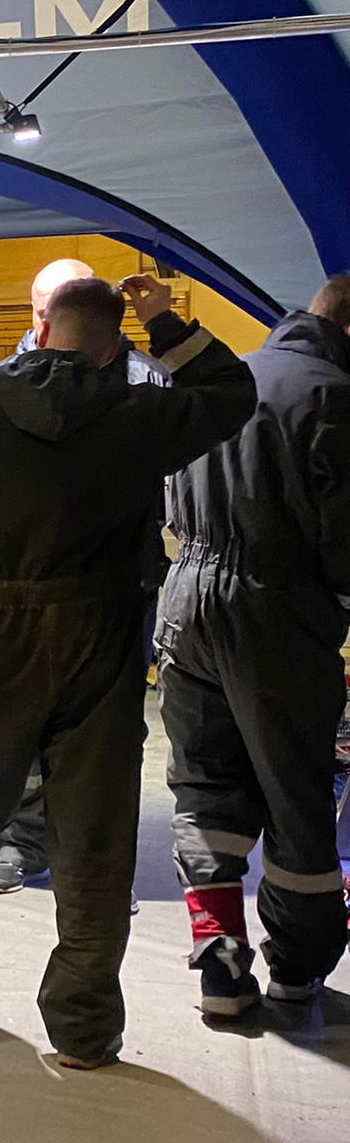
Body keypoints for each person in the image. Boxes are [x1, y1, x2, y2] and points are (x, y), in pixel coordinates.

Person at [0, 275, 255, 1069]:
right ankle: (84, 1031)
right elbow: (232, 393)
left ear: (42, 327)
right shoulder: (137, 414)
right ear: (114, 344)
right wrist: (164, 320)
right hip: (102, 636)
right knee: (93, 832)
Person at [160, 273, 350, 1016]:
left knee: (205, 785)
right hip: (278, 610)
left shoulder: (224, 378)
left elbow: (169, 491)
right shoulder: (334, 396)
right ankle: (297, 968)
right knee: (294, 793)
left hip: (187, 600)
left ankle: (220, 970)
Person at [0, 260, 170, 897]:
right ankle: (24, 841)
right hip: (28, 590)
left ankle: (98, 863)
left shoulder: (147, 381)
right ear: (32, 312)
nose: (52, 326)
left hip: (120, 588)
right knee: (25, 722)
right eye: (43, 312)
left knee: (111, 733)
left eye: (65, 311)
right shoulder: (0, 384)